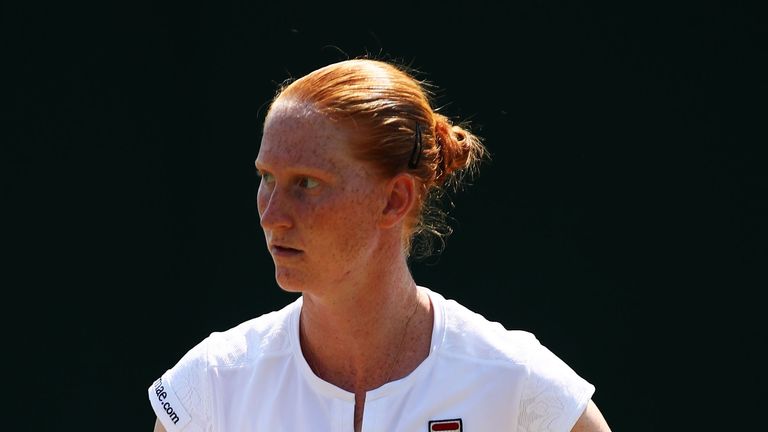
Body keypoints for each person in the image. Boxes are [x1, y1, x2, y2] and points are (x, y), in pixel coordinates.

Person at [148, 57, 612, 432]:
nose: (272, 216)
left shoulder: (515, 382)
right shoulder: (212, 385)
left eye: (307, 183)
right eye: (266, 179)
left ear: (394, 200)